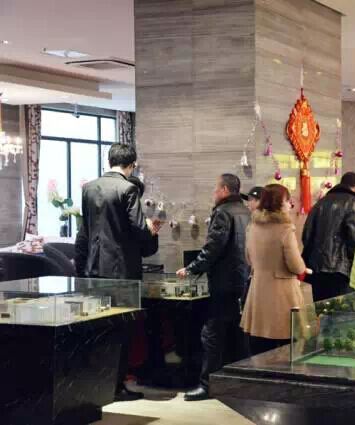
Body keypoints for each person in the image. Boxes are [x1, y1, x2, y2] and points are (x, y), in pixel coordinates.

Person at [75, 143, 161, 402]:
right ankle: (117, 386)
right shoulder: (128, 189)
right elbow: (137, 229)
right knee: (122, 330)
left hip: (93, 269)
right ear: (131, 165)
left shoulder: (89, 188)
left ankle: (97, 384)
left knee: (98, 328)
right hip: (122, 272)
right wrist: (150, 228)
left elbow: (86, 230)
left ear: (109, 160)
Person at [176, 174, 250, 401]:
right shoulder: (245, 211)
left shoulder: (223, 212)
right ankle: (237, 382)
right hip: (242, 280)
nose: (213, 193)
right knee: (237, 333)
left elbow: (213, 248)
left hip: (223, 282)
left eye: (215, 189)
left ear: (225, 189)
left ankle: (207, 385)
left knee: (212, 334)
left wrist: (191, 269)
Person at [240, 184, 312, 355]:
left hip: (258, 291)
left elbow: (248, 258)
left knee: (260, 344)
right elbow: (295, 265)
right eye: (287, 200)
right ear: (279, 202)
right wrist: (303, 268)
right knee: (288, 345)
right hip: (282, 293)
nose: (290, 204)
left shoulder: (252, 226)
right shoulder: (285, 229)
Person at [302, 172, 355, 301]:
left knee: (321, 307)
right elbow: (354, 239)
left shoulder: (321, 202)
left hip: (316, 267)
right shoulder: (354, 201)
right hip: (340, 269)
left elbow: (306, 235)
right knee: (339, 308)